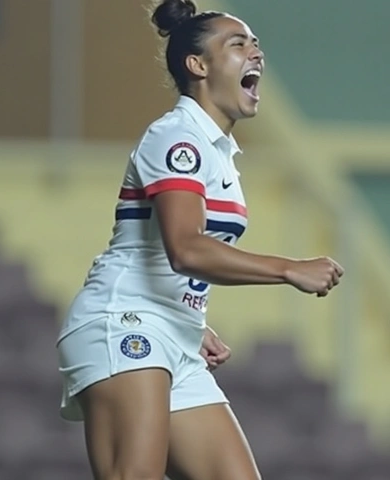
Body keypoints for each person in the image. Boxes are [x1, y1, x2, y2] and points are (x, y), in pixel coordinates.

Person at [56, 1, 344, 479]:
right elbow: (185, 248)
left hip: (174, 334)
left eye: (256, 44)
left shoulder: (219, 152)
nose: (256, 52)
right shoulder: (177, 139)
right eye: (238, 43)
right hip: (126, 323)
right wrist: (289, 268)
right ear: (198, 65)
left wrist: (189, 317)